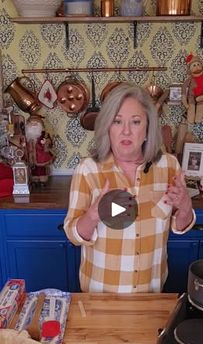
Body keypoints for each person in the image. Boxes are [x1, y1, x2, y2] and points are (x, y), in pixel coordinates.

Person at [64, 82, 196, 293]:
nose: (126, 131)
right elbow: (73, 234)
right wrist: (93, 215)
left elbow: (180, 226)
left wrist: (186, 207)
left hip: (150, 293)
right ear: (107, 127)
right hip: (100, 295)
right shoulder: (88, 170)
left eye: (135, 122)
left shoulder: (169, 166)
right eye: (117, 122)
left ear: (147, 129)